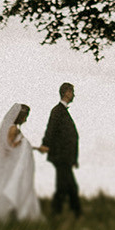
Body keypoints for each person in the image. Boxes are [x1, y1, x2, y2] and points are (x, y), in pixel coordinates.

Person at [36, 83, 82, 219]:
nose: (74, 95)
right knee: (68, 186)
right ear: (66, 93)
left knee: (65, 186)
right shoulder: (57, 111)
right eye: (72, 92)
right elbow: (51, 129)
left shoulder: (63, 112)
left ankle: (62, 213)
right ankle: (72, 213)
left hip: (66, 157)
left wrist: (73, 159)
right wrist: (45, 143)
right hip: (61, 156)